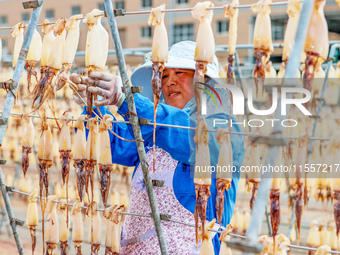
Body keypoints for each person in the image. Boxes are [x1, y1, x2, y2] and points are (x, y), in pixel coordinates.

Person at [70, 41, 245, 255]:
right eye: (163, 76)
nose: (169, 82)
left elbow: (191, 137)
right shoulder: (151, 128)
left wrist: (129, 101)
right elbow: (112, 143)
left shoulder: (225, 128)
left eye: (179, 72)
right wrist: (92, 107)